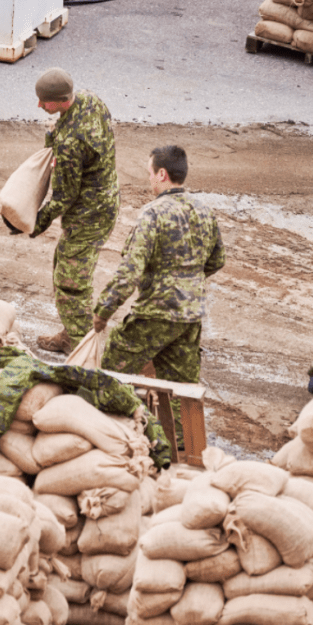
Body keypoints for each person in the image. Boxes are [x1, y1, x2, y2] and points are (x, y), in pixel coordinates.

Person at [93, 145, 225, 444]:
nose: (149, 179)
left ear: (162, 174)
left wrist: (103, 311)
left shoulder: (152, 214)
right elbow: (218, 260)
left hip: (155, 313)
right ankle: (183, 445)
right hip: (190, 316)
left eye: (150, 173)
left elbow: (130, 271)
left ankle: (116, 433)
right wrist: (188, 281)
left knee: (114, 367)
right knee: (181, 385)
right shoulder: (204, 210)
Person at [6, 67, 119, 354]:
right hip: (104, 200)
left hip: (87, 215)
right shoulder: (90, 100)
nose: (40, 106)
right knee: (63, 265)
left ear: (60, 100)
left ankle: (85, 351)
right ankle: (72, 335)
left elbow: (63, 198)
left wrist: (32, 224)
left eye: (45, 101)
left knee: (71, 286)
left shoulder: (71, 144)